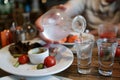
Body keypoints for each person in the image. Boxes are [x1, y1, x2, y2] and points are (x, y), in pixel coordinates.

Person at [35, 0, 120, 43]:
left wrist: (93, 33)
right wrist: (57, 13)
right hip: (87, 43)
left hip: (113, 44)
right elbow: (71, 6)